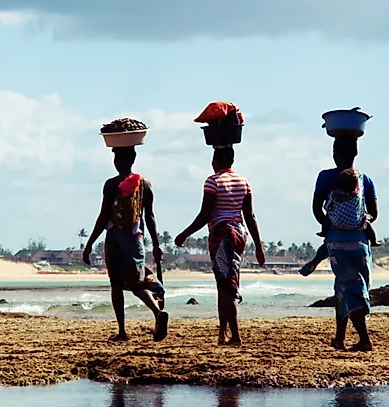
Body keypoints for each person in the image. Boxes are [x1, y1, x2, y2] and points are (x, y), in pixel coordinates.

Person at [175, 146, 265, 346]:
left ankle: (235, 336)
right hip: (239, 235)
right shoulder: (244, 182)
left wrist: (184, 233)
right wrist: (258, 246)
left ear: (215, 160)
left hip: (222, 235)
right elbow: (249, 216)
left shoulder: (213, 181)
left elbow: (205, 214)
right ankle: (222, 333)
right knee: (224, 284)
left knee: (227, 287)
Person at [83, 146, 169, 342]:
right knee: (137, 282)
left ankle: (122, 331)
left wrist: (89, 244)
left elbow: (104, 215)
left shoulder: (111, 184)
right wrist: (156, 245)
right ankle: (157, 312)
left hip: (115, 239)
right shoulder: (145, 184)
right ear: (134, 159)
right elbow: (150, 217)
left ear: (116, 162)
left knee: (116, 284)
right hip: (136, 240)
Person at [310, 136, 377, 351]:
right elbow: (373, 213)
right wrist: (359, 223)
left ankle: (365, 339)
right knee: (347, 287)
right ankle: (339, 338)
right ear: (355, 154)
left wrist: (330, 225)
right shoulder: (365, 179)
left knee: (348, 287)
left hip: (337, 243)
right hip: (360, 242)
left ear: (334, 153)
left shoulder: (326, 177)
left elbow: (316, 208)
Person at [299, 168, 381, 276]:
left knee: (328, 228)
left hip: (336, 228)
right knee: (367, 223)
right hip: (356, 230)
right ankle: (374, 240)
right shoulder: (358, 192)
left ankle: (317, 256)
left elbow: (320, 208)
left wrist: (330, 224)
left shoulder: (334, 192)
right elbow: (373, 214)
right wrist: (365, 218)